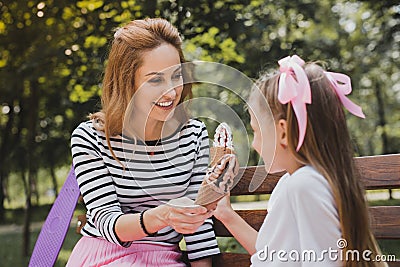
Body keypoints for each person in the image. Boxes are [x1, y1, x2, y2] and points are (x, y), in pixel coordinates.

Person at [67, 18, 220, 267]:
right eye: (155, 80)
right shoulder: (89, 138)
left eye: (176, 76)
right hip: (104, 255)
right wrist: (162, 216)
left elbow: (198, 227)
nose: (171, 92)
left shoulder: (194, 134)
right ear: (128, 82)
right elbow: (107, 222)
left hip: (164, 259)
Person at [213, 55, 387, 266]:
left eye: (256, 131)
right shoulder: (293, 182)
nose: (255, 144)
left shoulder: (304, 185)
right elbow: (273, 255)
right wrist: (225, 214)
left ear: (283, 132)